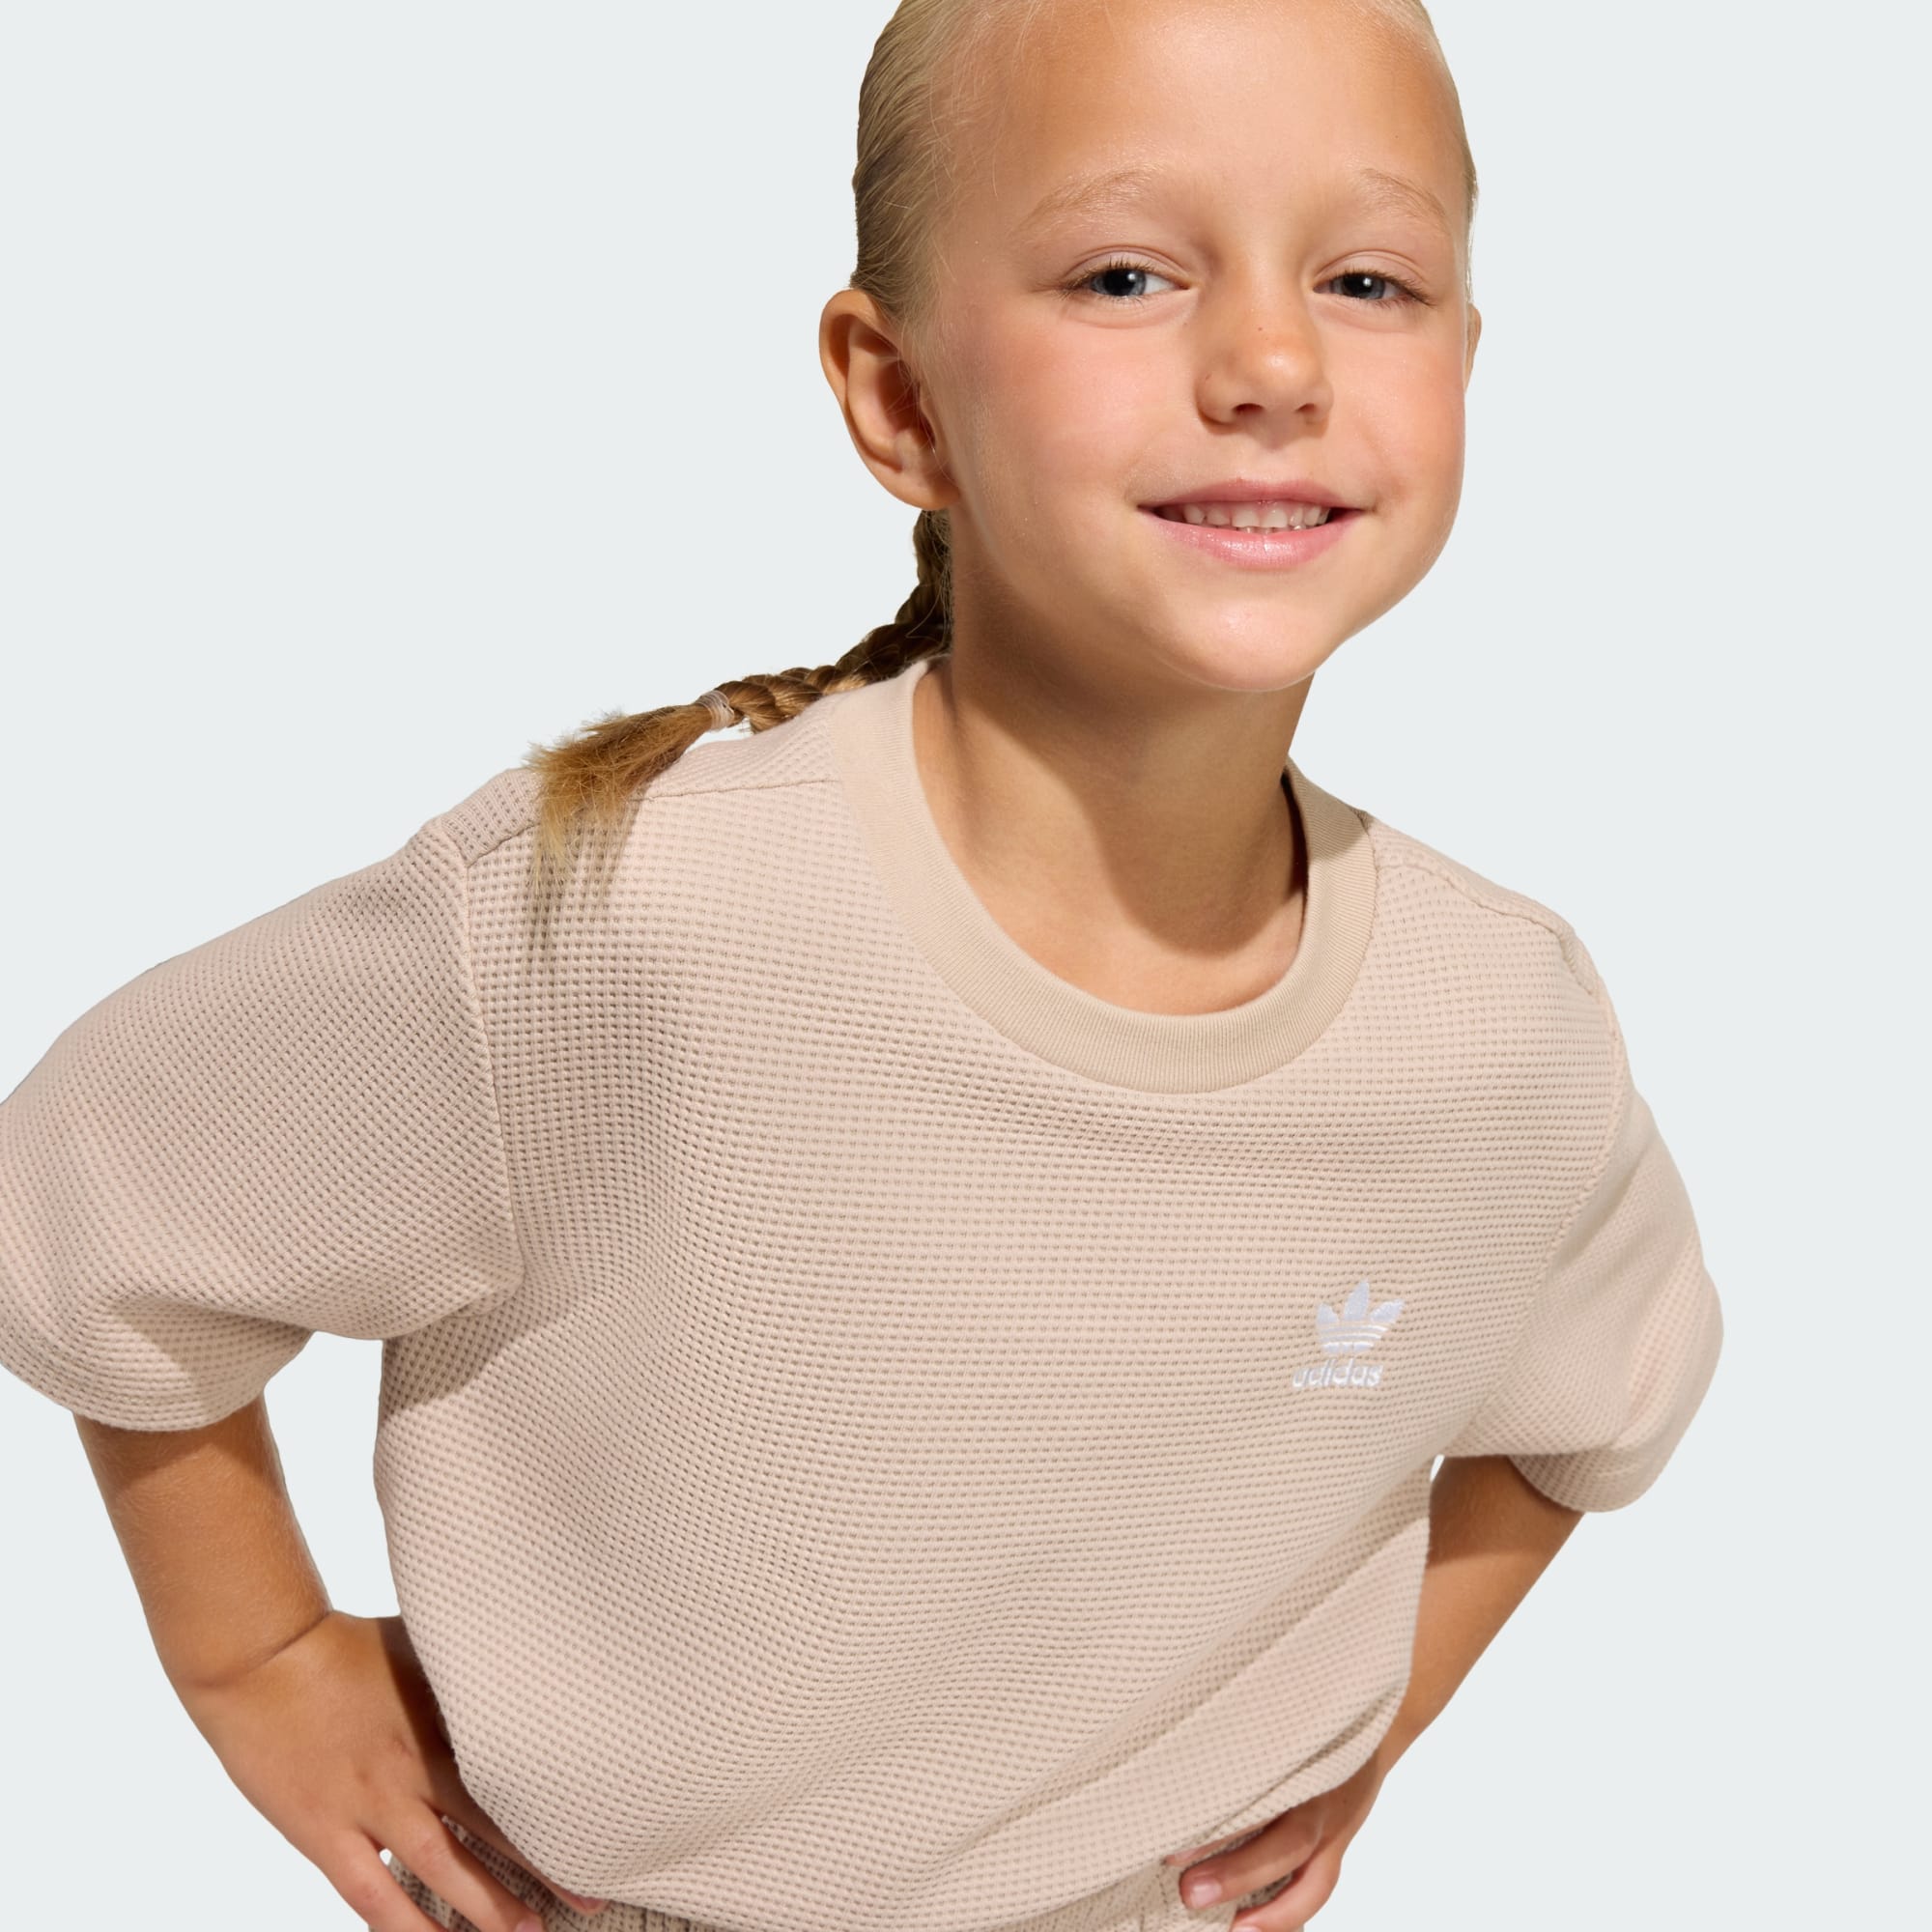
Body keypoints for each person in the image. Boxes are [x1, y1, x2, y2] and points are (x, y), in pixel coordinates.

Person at [0, 1, 1725, 1929]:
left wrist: (1364, 1731)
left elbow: (1595, 1405)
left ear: (1467, 358)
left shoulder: (1499, 1027)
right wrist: (257, 1659)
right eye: (1126, 274)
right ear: (898, 398)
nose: (1271, 364)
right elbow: (96, 1197)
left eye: (1369, 279)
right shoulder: (629, 924)